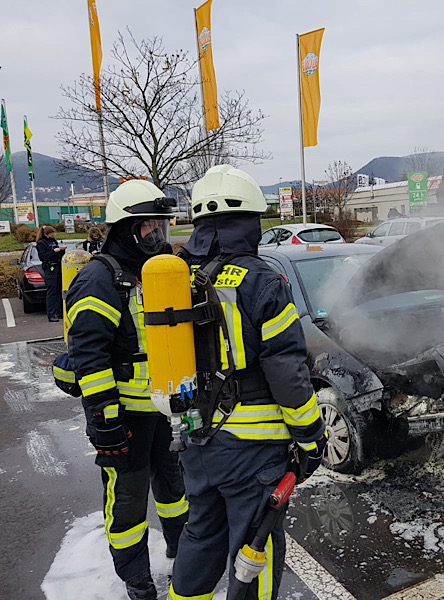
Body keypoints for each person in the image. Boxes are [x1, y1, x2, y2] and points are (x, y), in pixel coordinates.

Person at [168, 164, 328, 600]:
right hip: (252, 447)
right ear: (252, 222)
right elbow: (287, 371)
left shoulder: (175, 276)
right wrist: (311, 437)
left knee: (200, 534)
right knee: (257, 544)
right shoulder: (260, 281)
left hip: (195, 437)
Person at [66, 180, 188, 600]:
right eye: (148, 227)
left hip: (161, 408)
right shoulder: (99, 279)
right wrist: (105, 421)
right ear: (123, 230)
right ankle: (136, 579)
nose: (157, 236)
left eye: (161, 227)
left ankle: (181, 551)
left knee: (173, 488)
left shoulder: (155, 274)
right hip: (124, 418)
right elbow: (89, 355)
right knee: (129, 500)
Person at [35, 225, 65, 322]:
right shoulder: (41, 243)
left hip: (58, 267)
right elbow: (43, 257)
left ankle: (60, 312)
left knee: (59, 290)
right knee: (51, 291)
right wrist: (53, 251)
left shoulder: (54, 241)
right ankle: (51, 314)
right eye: (52, 233)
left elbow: (58, 254)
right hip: (50, 268)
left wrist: (61, 251)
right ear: (46, 234)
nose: (53, 234)